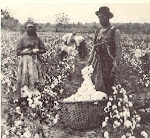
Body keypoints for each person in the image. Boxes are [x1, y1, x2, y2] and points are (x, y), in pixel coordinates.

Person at [87, 6, 122, 96]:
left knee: (108, 86)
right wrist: (89, 61)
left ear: (108, 17)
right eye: (99, 17)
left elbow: (118, 51)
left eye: (102, 17)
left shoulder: (114, 31)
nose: (100, 20)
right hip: (97, 62)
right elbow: (94, 47)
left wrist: (115, 67)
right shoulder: (98, 30)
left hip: (109, 64)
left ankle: (109, 106)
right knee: (96, 85)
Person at [16, 21, 46, 100]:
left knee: (35, 76)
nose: (30, 29)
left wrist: (38, 51)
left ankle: (34, 94)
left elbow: (44, 49)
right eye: (28, 27)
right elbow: (18, 52)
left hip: (35, 60)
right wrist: (29, 52)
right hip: (25, 60)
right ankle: (24, 95)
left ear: (34, 29)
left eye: (31, 27)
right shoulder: (22, 39)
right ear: (25, 29)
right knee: (25, 76)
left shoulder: (37, 39)